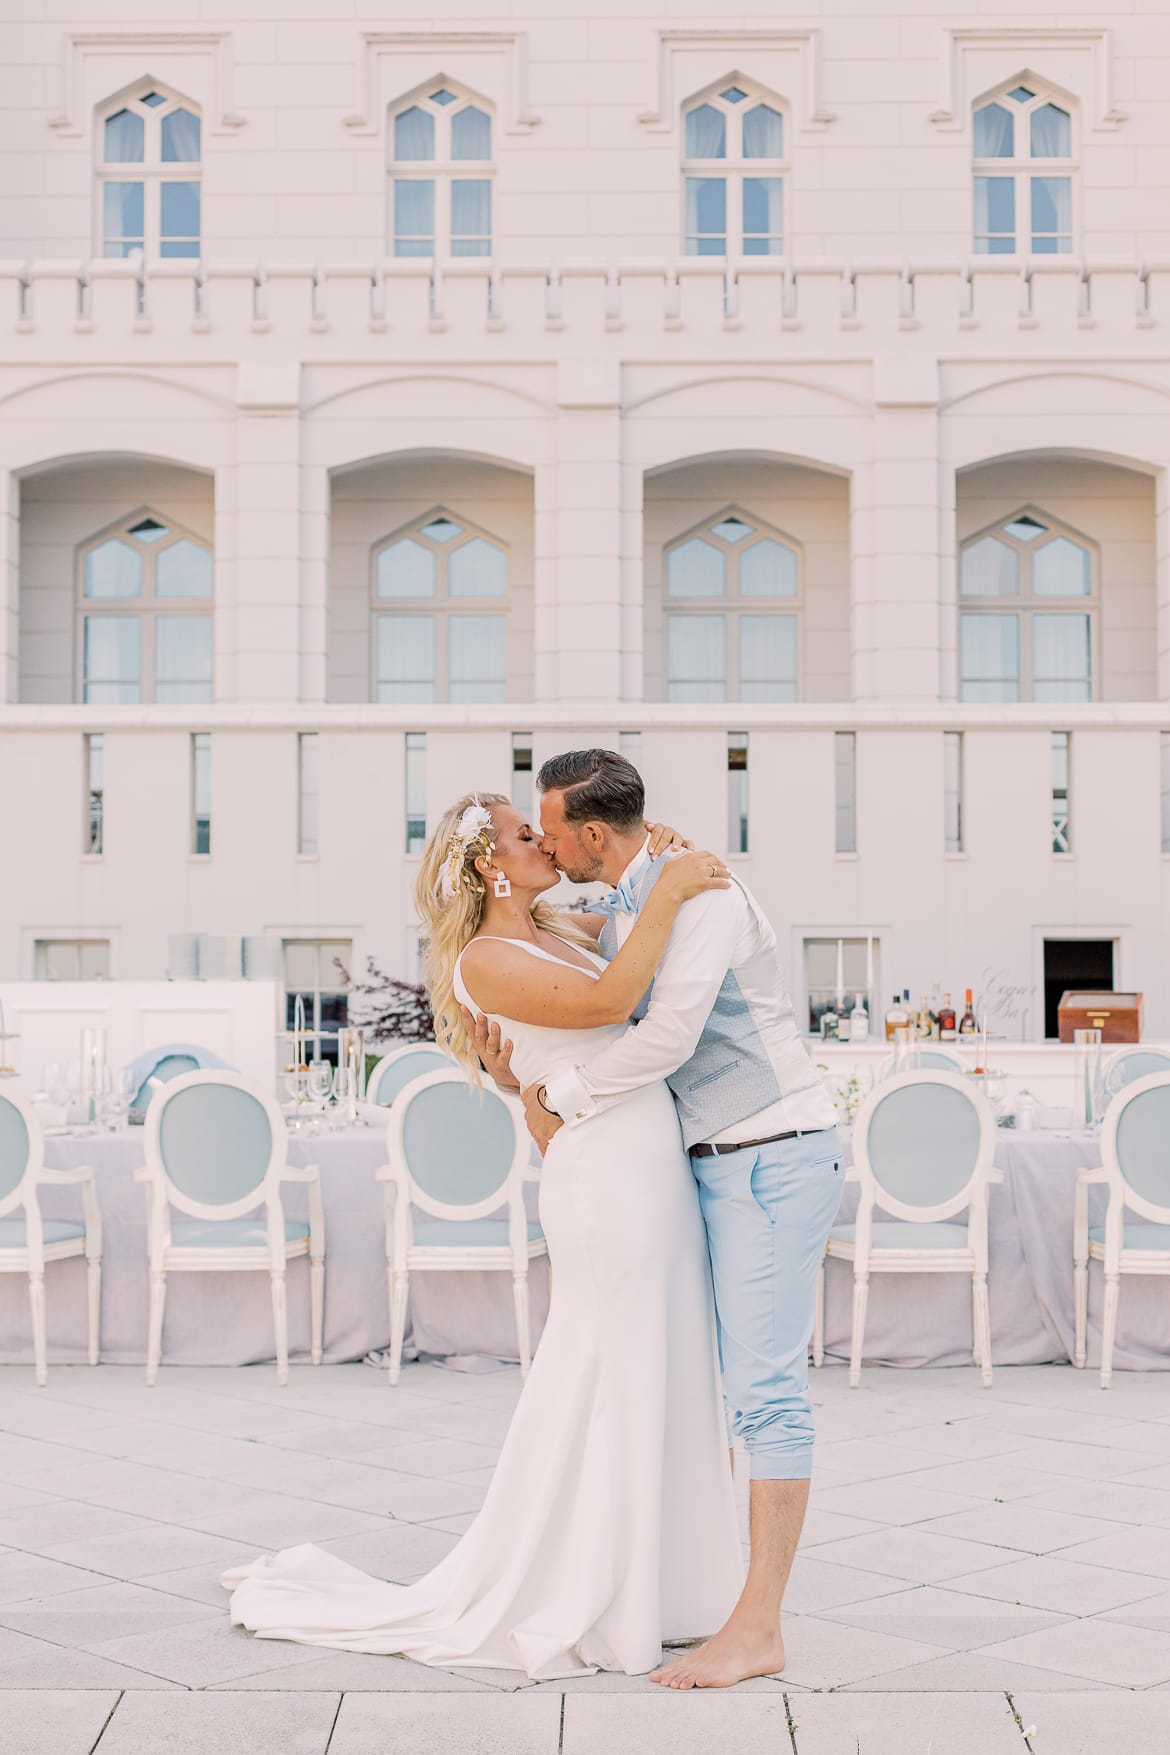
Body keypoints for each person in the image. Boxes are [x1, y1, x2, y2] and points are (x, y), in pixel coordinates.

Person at [223, 793, 744, 1681]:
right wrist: (675, 889)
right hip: (605, 1177)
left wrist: (659, 874)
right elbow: (618, 1000)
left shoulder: (551, 928)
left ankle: (669, 1583)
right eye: (519, 832)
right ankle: (596, 1583)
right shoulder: (486, 959)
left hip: (645, 1160)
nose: (542, 839)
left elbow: (608, 978)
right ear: (485, 867)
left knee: (664, 1353)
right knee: (609, 1364)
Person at [471, 749, 842, 1690]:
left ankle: (758, 1627)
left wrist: (563, 1091)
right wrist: (518, 1074)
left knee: (764, 1392)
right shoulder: (632, 896)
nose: (545, 843)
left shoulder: (699, 894)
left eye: (551, 828)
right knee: (702, 1379)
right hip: (706, 1168)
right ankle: (693, 1586)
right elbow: (563, 982)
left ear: (591, 832)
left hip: (769, 1152)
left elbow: (666, 1032)